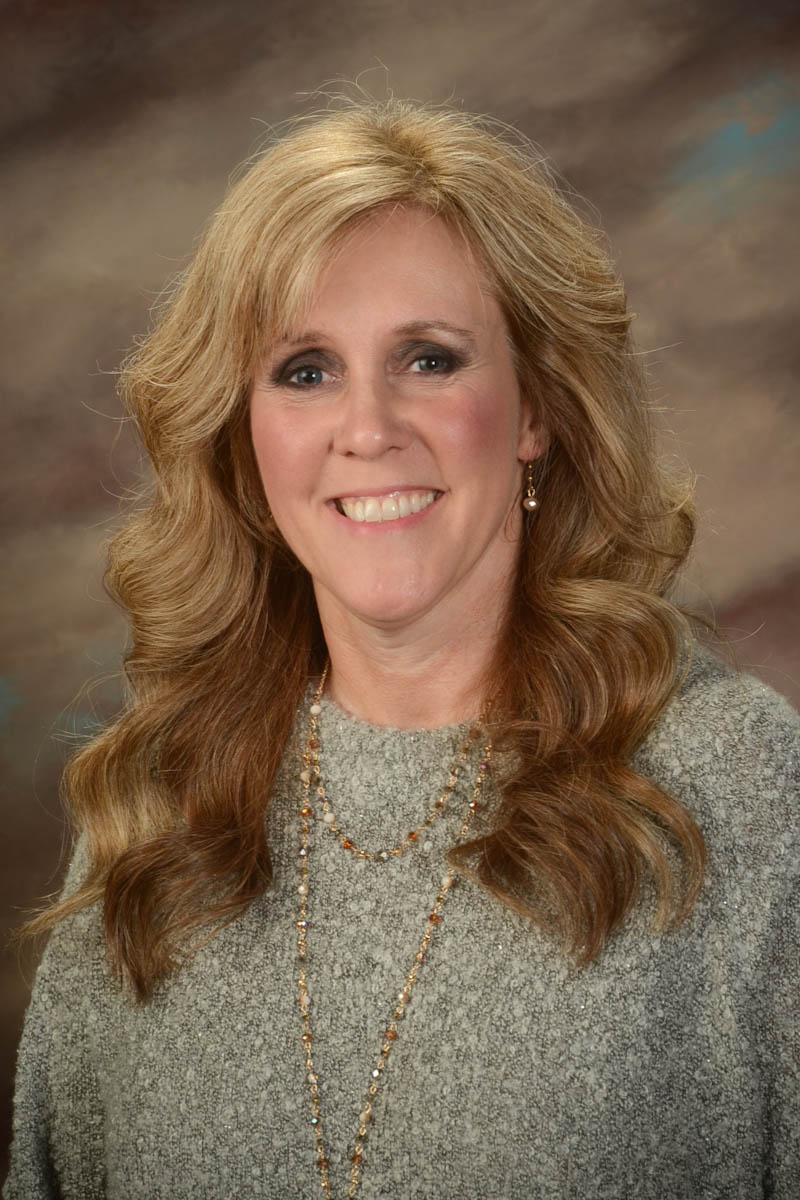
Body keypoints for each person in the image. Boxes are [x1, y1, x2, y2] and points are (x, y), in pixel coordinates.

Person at [4, 97, 798, 1200]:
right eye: (305, 370)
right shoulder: (154, 813)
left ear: (535, 411)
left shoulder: (739, 791)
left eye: (428, 359)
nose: (368, 429)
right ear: (244, 434)